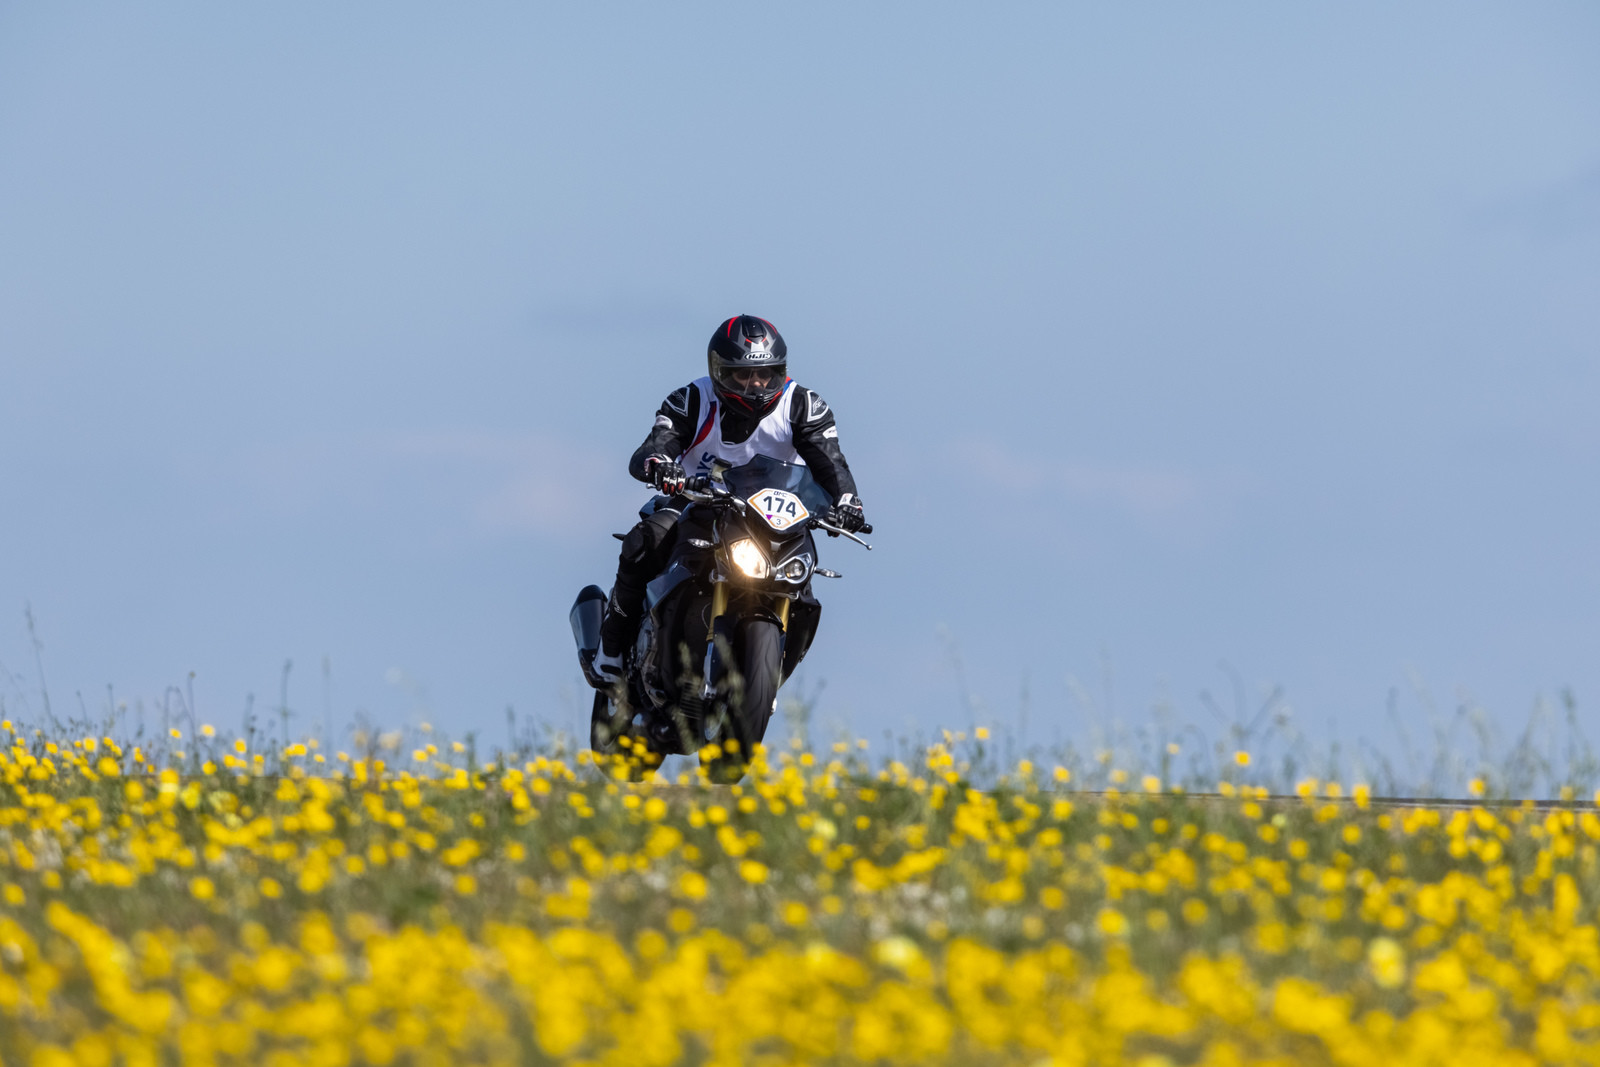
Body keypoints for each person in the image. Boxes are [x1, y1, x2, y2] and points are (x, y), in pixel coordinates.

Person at [589, 314, 866, 686]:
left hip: (773, 517)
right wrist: (661, 466)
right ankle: (611, 650)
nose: (755, 384)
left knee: (804, 589)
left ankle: (765, 680)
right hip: (696, 500)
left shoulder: (802, 405)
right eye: (742, 375)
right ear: (719, 371)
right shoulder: (692, 400)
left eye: (765, 374)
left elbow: (829, 460)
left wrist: (848, 502)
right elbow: (653, 448)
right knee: (648, 539)